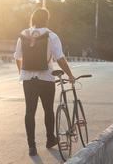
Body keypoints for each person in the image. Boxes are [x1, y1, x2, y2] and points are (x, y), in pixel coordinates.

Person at [14, 8, 75, 156]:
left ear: (33, 19)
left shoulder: (23, 35)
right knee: (48, 110)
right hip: (46, 78)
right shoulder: (51, 36)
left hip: (28, 79)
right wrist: (70, 75)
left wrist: (22, 72)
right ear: (46, 19)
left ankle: (32, 146)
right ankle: (50, 139)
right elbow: (60, 58)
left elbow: (17, 57)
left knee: (30, 111)